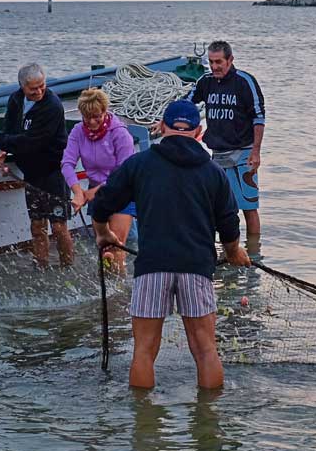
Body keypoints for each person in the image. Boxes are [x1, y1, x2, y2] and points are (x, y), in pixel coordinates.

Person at [91, 98, 250, 390]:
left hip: (153, 266)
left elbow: (101, 204)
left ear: (161, 127)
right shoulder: (213, 172)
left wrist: (103, 234)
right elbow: (229, 223)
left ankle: (144, 429)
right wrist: (234, 252)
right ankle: (208, 426)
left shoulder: (139, 164)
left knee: (144, 350)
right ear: (199, 131)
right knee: (205, 350)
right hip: (196, 267)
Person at [0, 63, 71, 268]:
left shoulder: (52, 106)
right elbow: (11, 130)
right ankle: (40, 266)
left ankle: (67, 266)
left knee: (59, 226)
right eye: (33, 88)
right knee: (37, 225)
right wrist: (3, 151)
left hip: (53, 173)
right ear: (22, 86)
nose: (39, 91)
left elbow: (31, 142)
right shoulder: (15, 99)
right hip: (31, 173)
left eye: (42, 86)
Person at [190, 40, 267, 239]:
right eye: (211, 62)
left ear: (230, 60)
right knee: (218, 208)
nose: (214, 67)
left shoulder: (244, 82)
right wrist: (165, 121)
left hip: (244, 153)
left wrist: (256, 152)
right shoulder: (205, 82)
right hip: (217, 155)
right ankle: (225, 250)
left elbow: (259, 118)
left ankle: (253, 253)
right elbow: (187, 104)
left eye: (219, 62)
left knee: (249, 207)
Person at [62, 87, 137, 265]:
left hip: (122, 191)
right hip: (96, 192)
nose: (92, 122)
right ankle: (105, 286)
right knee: (103, 248)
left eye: (97, 117)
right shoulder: (78, 131)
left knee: (116, 246)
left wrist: (93, 192)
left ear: (105, 111)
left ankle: (119, 290)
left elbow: (123, 172)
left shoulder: (120, 134)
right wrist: (77, 191)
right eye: (87, 118)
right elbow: (67, 163)